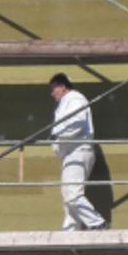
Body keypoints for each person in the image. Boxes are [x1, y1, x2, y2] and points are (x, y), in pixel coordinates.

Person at [48, 72, 107, 231]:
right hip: (71, 153)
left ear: (62, 86)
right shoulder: (65, 102)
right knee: (68, 194)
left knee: (72, 194)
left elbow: (77, 122)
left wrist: (58, 136)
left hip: (78, 151)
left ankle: (97, 223)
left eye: (53, 89)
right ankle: (71, 229)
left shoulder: (74, 98)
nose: (52, 93)